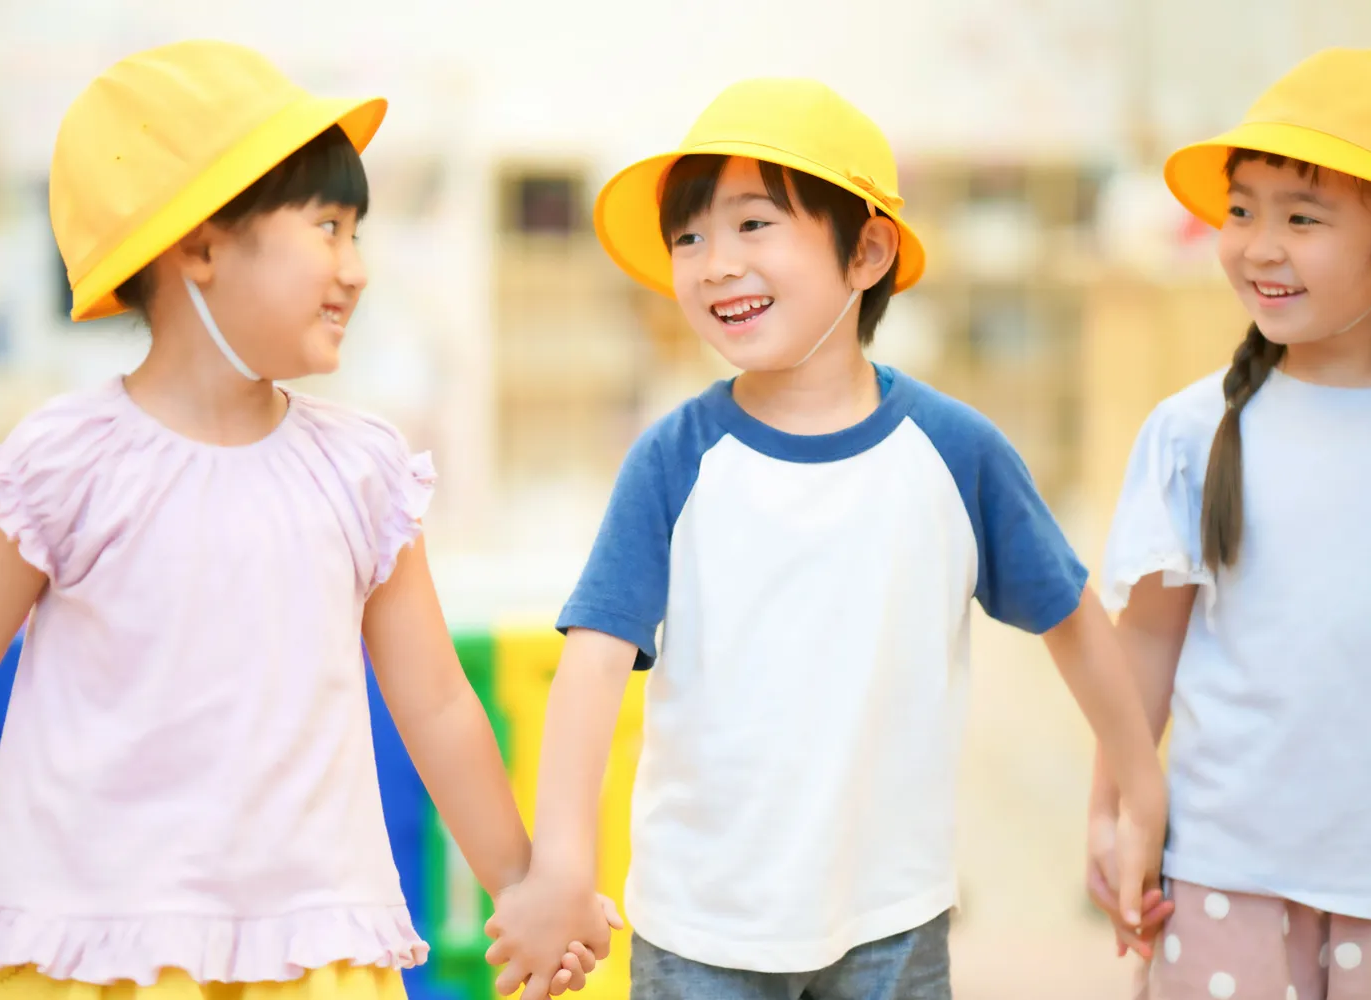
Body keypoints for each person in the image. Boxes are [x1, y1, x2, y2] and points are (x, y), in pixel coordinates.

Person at [483, 77, 1168, 1000]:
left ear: (868, 252)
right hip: (701, 926)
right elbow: (593, 665)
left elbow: (1074, 617)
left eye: (753, 225)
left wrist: (1137, 792)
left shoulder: (954, 453)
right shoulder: (675, 461)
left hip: (892, 917)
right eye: (688, 236)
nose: (714, 263)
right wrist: (563, 861)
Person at [0, 40, 612, 998]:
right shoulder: (63, 463)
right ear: (199, 244)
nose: (356, 270)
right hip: (96, 949)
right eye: (327, 227)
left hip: (312, 951)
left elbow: (437, 702)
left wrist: (523, 884)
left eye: (357, 233)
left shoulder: (359, 471)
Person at [1086, 47, 1371, 999]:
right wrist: (1115, 814)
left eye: (1302, 217)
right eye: (1241, 210)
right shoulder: (1190, 432)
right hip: (1225, 882)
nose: (1259, 246)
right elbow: (1141, 655)